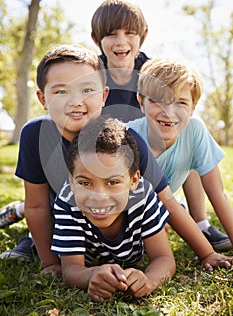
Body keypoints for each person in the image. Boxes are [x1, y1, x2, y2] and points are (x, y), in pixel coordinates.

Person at [0, 44, 170, 273]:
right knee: (44, 218)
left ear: (104, 96)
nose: (75, 101)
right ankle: (28, 239)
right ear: (42, 98)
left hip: (106, 214)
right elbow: (38, 206)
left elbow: (165, 198)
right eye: (61, 91)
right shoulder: (36, 134)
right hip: (60, 214)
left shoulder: (123, 140)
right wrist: (50, 263)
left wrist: (206, 251)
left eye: (87, 90)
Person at [51, 116, 176, 302]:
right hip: (80, 245)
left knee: (159, 226)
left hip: (136, 234)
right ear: (71, 181)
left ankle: (160, 223)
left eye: (112, 182)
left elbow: (164, 259)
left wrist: (150, 280)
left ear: (134, 180)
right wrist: (91, 275)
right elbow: (71, 270)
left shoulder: (142, 195)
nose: (98, 197)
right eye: (85, 182)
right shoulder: (68, 200)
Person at [126, 56, 233, 251]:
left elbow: (217, 193)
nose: (168, 112)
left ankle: (198, 223)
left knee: (191, 154)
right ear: (141, 102)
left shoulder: (194, 130)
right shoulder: (128, 137)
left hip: (162, 206)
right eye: (158, 101)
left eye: (180, 103)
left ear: (193, 107)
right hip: (129, 220)